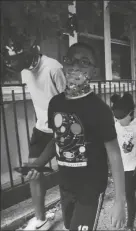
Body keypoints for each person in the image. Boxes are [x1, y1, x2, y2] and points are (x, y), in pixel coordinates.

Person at [26, 42, 126, 230]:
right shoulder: (55, 104)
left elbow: (114, 154)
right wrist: (38, 163)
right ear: (64, 66)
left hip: (90, 188)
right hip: (65, 185)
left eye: (84, 62)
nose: (76, 66)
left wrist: (120, 201)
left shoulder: (100, 110)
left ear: (94, 71)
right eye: (71, 61)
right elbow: (58, 139)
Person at [3, 38, 66, 230]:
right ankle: (40, 219)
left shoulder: (53, 68)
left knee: (68, 173)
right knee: (33, 172)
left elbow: (69, 103)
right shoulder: (24, 71)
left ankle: (72, 212)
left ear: (28, 53)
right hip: (41, 128)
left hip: (62, 130)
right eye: (9, 59)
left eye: (15, 59)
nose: (11, 63)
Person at [110, 93, 136, 231]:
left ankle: (129, 226)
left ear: (131, 113)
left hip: (134, 166)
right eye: (116, 117)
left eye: (121, 117)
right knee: (126, 192)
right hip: (120, 166)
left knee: (128, 195)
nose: (119, 120)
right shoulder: (116, 125)